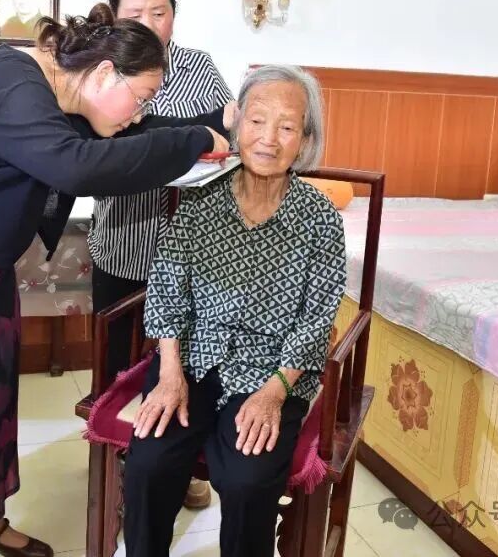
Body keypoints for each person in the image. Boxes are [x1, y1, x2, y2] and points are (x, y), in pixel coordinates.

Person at [0, 3, 233, 557]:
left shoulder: (63, 93)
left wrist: (210, 128)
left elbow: (135, 133)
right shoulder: (14, 86)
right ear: (104, 74)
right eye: (142, 97)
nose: (140, 112)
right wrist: (190, 139)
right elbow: (80, 165)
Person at [122, 65, 348, 557]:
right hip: (192, 358)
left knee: (246, 480)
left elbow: (317, 320)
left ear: (305, 140)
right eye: (257, 120)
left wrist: (275, 392)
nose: (268, 138)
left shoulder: (321, 220)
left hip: (273, 371)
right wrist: (169, 371)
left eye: (286, 126)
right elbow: (167, 288)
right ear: (237, 123)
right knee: (149, 463)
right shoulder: (200, 200)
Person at [88, 0, 233, 509]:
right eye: (135, 14)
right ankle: (120, 462)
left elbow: (229, 135)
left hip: (193, 253)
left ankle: (181, 460)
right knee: (119, 365)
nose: (150, 24)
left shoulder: (198, 66)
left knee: (186, 363)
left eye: (160, 12)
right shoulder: (102, 70)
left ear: (175, 14)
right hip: (123, 242)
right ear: (113, 18)